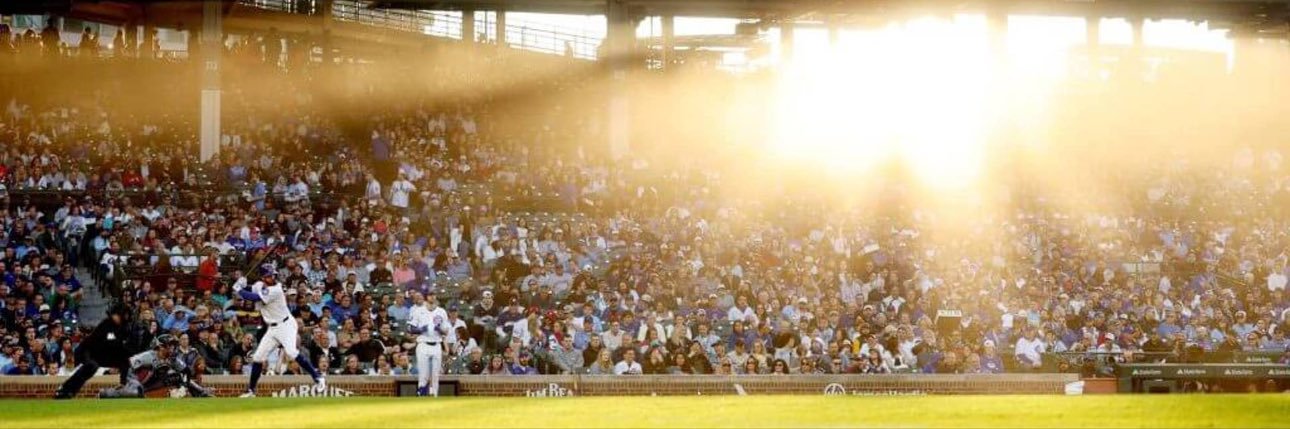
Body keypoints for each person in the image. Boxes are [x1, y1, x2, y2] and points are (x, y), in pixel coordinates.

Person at [237, 264, 325, 397]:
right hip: (272, 328)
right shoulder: (260, 285)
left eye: (273, 275)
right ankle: (251, 390)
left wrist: (238, 289)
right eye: (268, 276)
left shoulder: (276, 289)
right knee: (258, 357)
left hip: (286, 325)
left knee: (291, 352)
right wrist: (244, 284)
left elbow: (254, 297)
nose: (272, 278)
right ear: (263, 277)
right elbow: (253, 289)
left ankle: (318, 377)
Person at [54, 304, 131, 399]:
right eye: (119, 315)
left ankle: (122, 384)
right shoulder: (106, 324)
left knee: (123, 359)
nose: (120, 318)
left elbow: (121, 349)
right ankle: (64, 390)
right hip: (88, 350)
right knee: (91, 366)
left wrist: (122, 379)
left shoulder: (124, 328)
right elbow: (95, 342)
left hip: (103, 354)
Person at [98, 334, 212, 398]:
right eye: (169, 345)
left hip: (152, 381)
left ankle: (202, 393)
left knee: (176, 376)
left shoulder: (172, 358)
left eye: (173, 345)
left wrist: (185, 385)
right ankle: (105, 393)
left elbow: (186, 371)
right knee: (136, 392)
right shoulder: (147, 356)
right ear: (161, 347)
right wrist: (123, 382)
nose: (172, 348)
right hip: (135, 379)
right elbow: (126, 364)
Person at [407, 290, 450, 396]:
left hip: (436, 344)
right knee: (423, 374)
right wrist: (421, 329)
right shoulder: (418, 311)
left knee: (435, 375)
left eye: (434, 295)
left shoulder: (441, 311)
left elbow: (446, 331)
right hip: (423, 344)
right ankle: (422, 395)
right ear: (426, 297)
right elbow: (410, 328)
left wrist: (439, 329)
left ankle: (434, 395)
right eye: (430, 295)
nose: (432, 297)